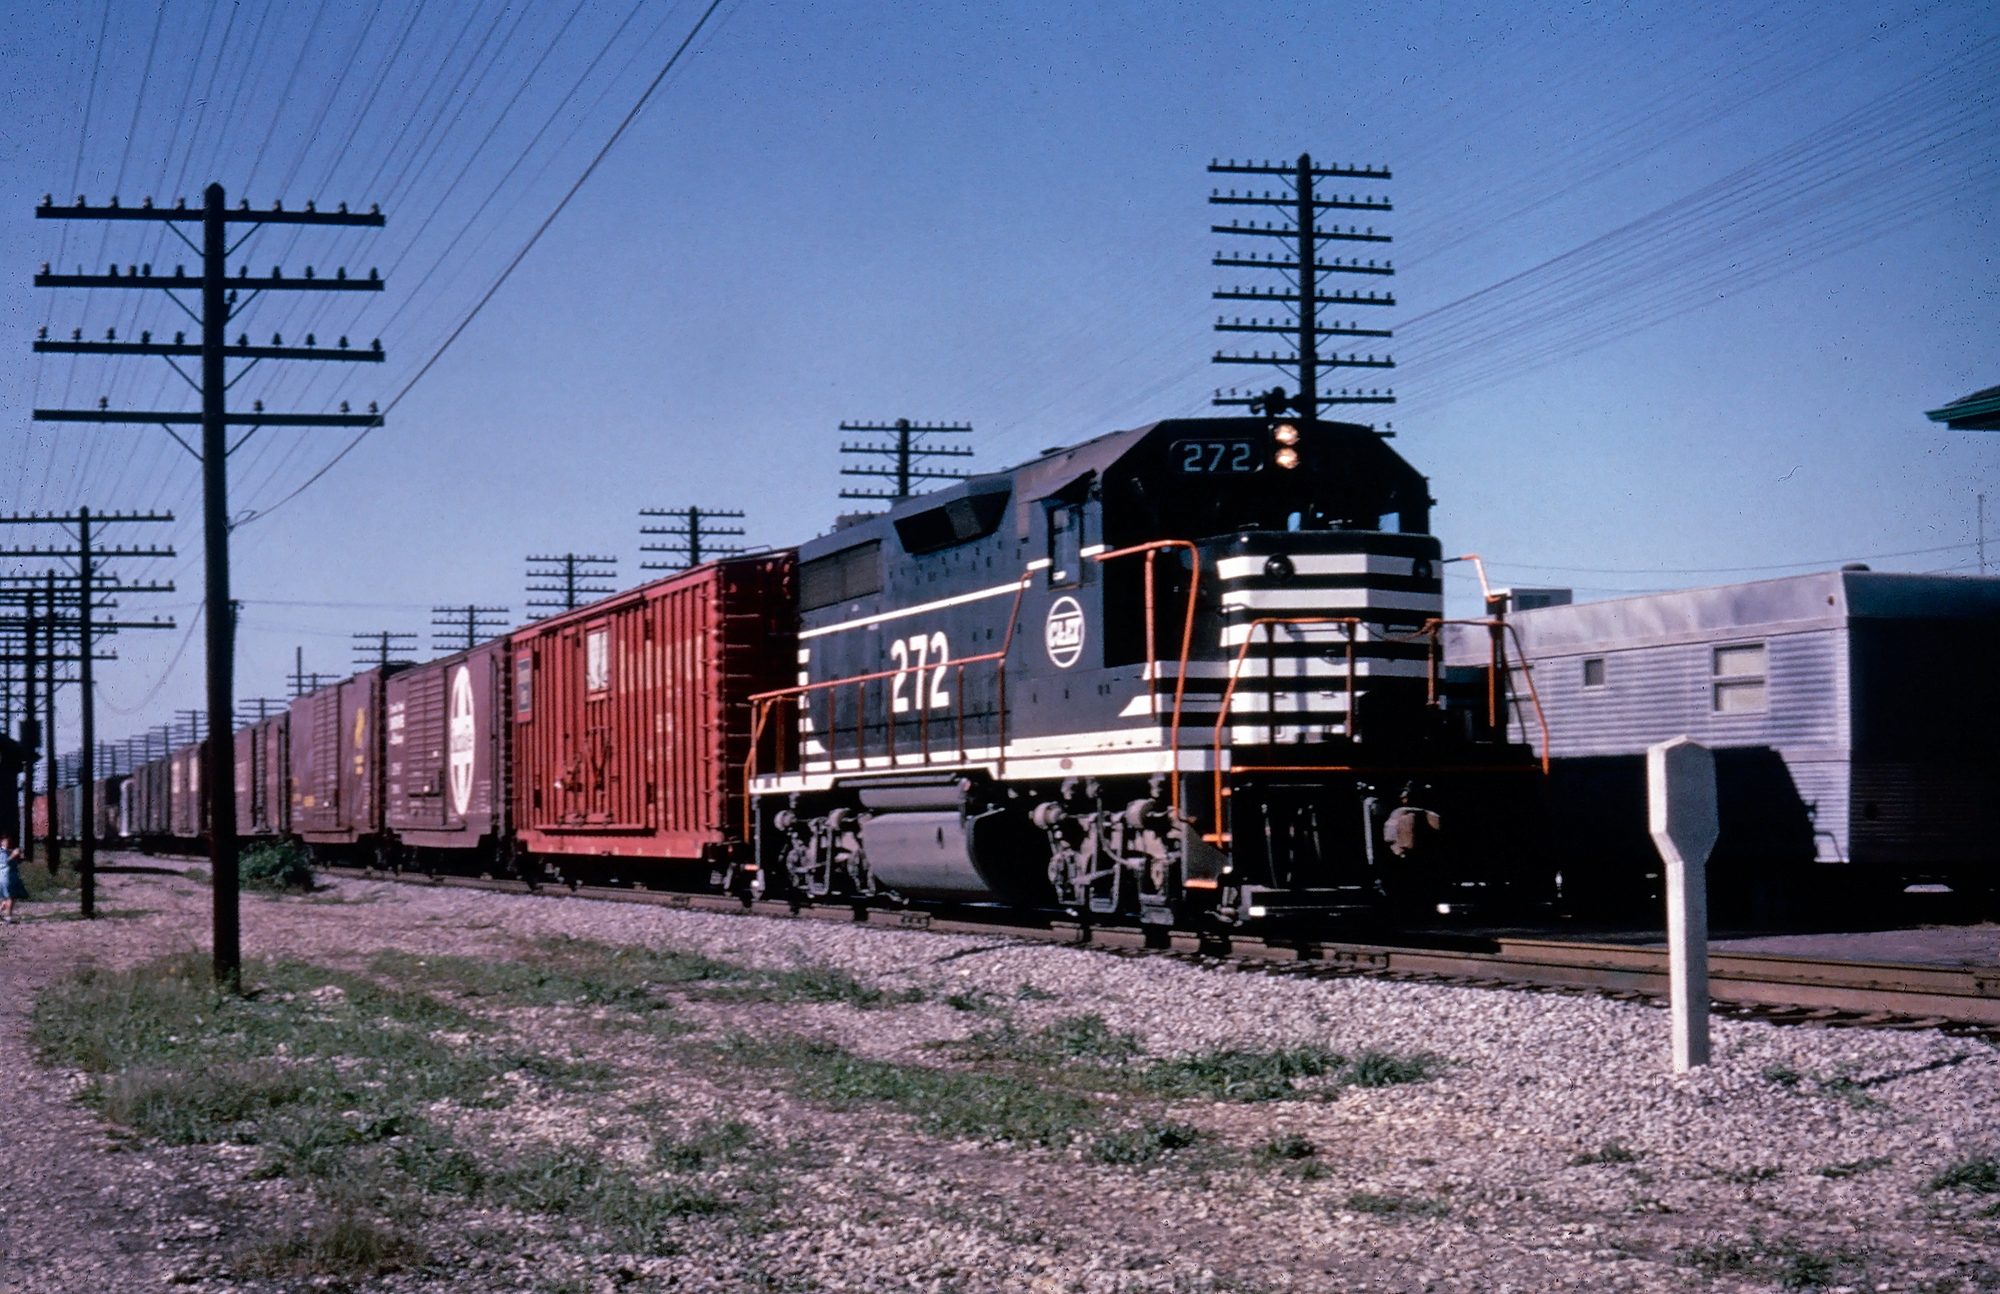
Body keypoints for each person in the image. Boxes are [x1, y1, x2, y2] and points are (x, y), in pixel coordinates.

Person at [0, 834, 23, 923]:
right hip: (5, 876)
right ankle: (8, 917)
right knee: (10, 897)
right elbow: (5, 862)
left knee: (10, 897)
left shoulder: (8, 851)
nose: (8, 843)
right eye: (6, 842)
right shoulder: (2, 852)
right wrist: (13, 855)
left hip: (9, 876)